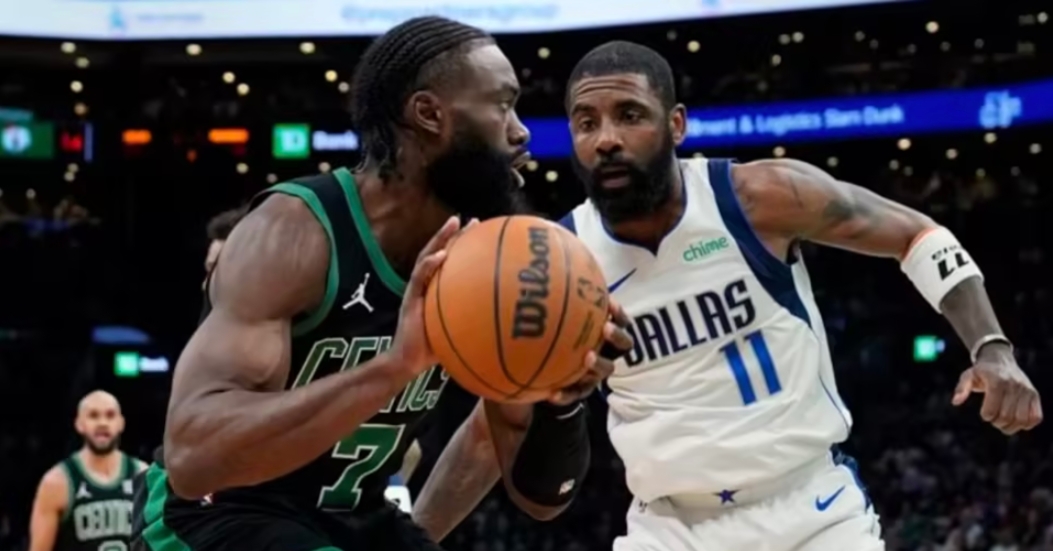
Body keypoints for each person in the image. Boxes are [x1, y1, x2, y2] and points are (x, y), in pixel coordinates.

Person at [417, 40, 1045, 549]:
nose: (606, 138)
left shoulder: (757, 198)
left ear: (677, 124)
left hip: (812, 511)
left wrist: (991, 348)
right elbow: (492, 423)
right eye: (586, 122)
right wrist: (413, 537)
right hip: (669, 528)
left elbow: (918, 235)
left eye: (629, 115)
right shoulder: (558, 260)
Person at [131, 16, 630, 551]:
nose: (521, 131)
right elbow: (193, 460)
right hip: (217, 515)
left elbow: (525, 481)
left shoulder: (486, 259)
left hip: (354, 516)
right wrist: (396, 366)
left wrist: (559, 398)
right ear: (429, 114)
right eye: (502, 105)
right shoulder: (296, 231)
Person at [29, 391, 147, 551]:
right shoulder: (56, 482)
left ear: (121, 423)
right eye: (93, 415)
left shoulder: (142, 474)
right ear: (79, 423)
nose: (102, 423)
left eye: (110, 415)